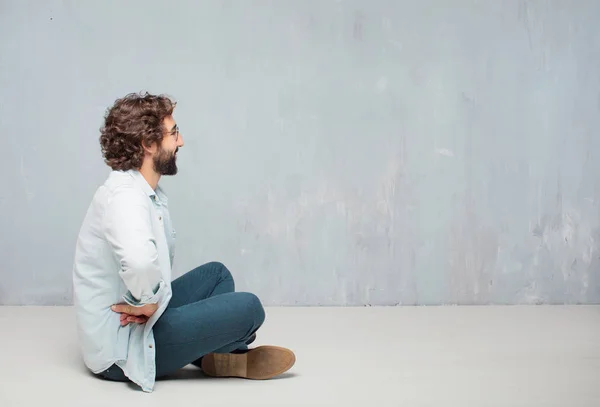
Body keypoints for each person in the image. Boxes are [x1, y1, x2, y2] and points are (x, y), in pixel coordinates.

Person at [72, 92, 295, 393]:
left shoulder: (139, 190)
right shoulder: (124, 198)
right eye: (174, 133)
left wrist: (149, 301)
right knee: (251, 309)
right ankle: (221, 353)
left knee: (217, 275)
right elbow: (138, 262)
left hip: (137, 326)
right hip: (122, 349)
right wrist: (147, 303)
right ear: (148, 144)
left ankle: (212, 355)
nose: (181, 142)